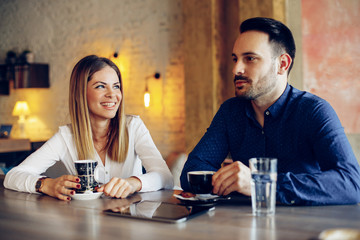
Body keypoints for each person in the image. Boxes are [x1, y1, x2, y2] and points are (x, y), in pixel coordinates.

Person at [180, 17, 360, 206]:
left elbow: (352, 183)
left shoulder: (314, 111)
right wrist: (227, 180)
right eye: (235, 59)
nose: (236, 69)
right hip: (243, 227)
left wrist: (259, 183)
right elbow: (191, 173)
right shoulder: (230, 112)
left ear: (282, 64)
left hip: (302, 228)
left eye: (250, 58)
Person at [4, 55, 173, 201]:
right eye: (101, 86)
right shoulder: (66, 136)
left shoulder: (133, 127)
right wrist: (46, 184)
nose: (112, 94)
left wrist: (133, 183)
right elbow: (12, 176)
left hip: (130, 222)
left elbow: (165, 177)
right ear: (80, 93)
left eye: (116, 86)